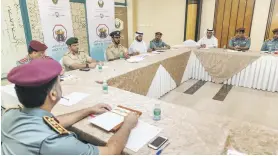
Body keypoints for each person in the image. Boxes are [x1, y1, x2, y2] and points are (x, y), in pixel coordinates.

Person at [2, 59, 139, 155]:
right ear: (53, 94)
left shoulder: (9, 115)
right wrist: (127, 124)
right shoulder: (53, 141)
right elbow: (111, 151)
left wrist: (88, 110)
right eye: (59, 82)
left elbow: (52, 122)